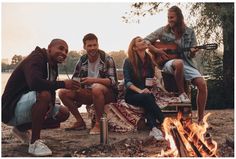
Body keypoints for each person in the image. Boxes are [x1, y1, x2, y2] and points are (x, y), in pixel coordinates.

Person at [2, 39, 80, 156]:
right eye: (60, 48)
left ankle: (21, 129)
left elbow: (51, 89)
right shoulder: (36, 58)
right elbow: (35, 83)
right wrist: (63, 84)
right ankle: (34, 144)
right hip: (10, 109)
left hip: (26, 105)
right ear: (49, 48)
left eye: (66, 51)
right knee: (44, 94)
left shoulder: (53, 66)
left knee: (63, 113)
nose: (64, 53)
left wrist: (51, 104)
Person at [144, 5, 207, 124]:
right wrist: (157, 51)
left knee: (202, 84)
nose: (169, 20)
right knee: (178, 63)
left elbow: (191, 54)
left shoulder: (189, 32)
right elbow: (145, 41)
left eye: (172, 17)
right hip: (169, 63)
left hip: (187, 63)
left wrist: (193, 52)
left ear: (179, 17)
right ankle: (182, 93)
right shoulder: (163, 30)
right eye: (168, 17)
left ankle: (200, 119)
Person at [59, 33, 118, 135]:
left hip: (107, 94)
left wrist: (93, 80)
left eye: (95, 45)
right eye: (89, 46)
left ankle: (99, 124)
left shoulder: (107, 59)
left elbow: (112, 81)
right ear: (84, 47)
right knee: (62, 92)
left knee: (96, 87)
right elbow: (75, 80)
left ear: (98, 45)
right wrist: (76, 87)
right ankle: (80, 121)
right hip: (89, 93)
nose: (92, 48)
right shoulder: (82, 60)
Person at [123, 36, 165, 140]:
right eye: (140, 41)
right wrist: (140, 91)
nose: (144, 41)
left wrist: (154, 82)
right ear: (134, 48)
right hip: (132, 94)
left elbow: (151, 79)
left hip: (147, 94)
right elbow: (127, 83)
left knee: (148, 99)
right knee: (147, 98)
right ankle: (165, 122)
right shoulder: (128, 61)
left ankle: (154, 128)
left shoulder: (149, 60)